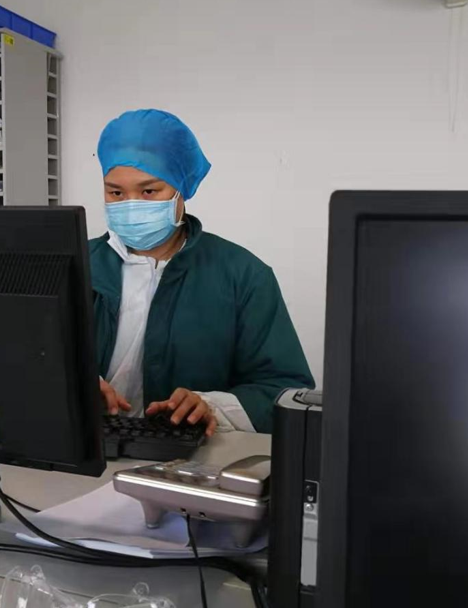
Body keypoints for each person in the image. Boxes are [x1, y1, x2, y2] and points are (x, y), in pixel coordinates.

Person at [91, 109, 314, 435]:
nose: (131, 204)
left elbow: (286, 391)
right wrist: (69, 385)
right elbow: (25, 361)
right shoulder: (73, 265)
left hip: (195, 456)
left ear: (181, 189)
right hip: (81, 453)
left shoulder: (242, 276)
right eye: (116, 193)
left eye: (149, 191)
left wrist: (212, 406)